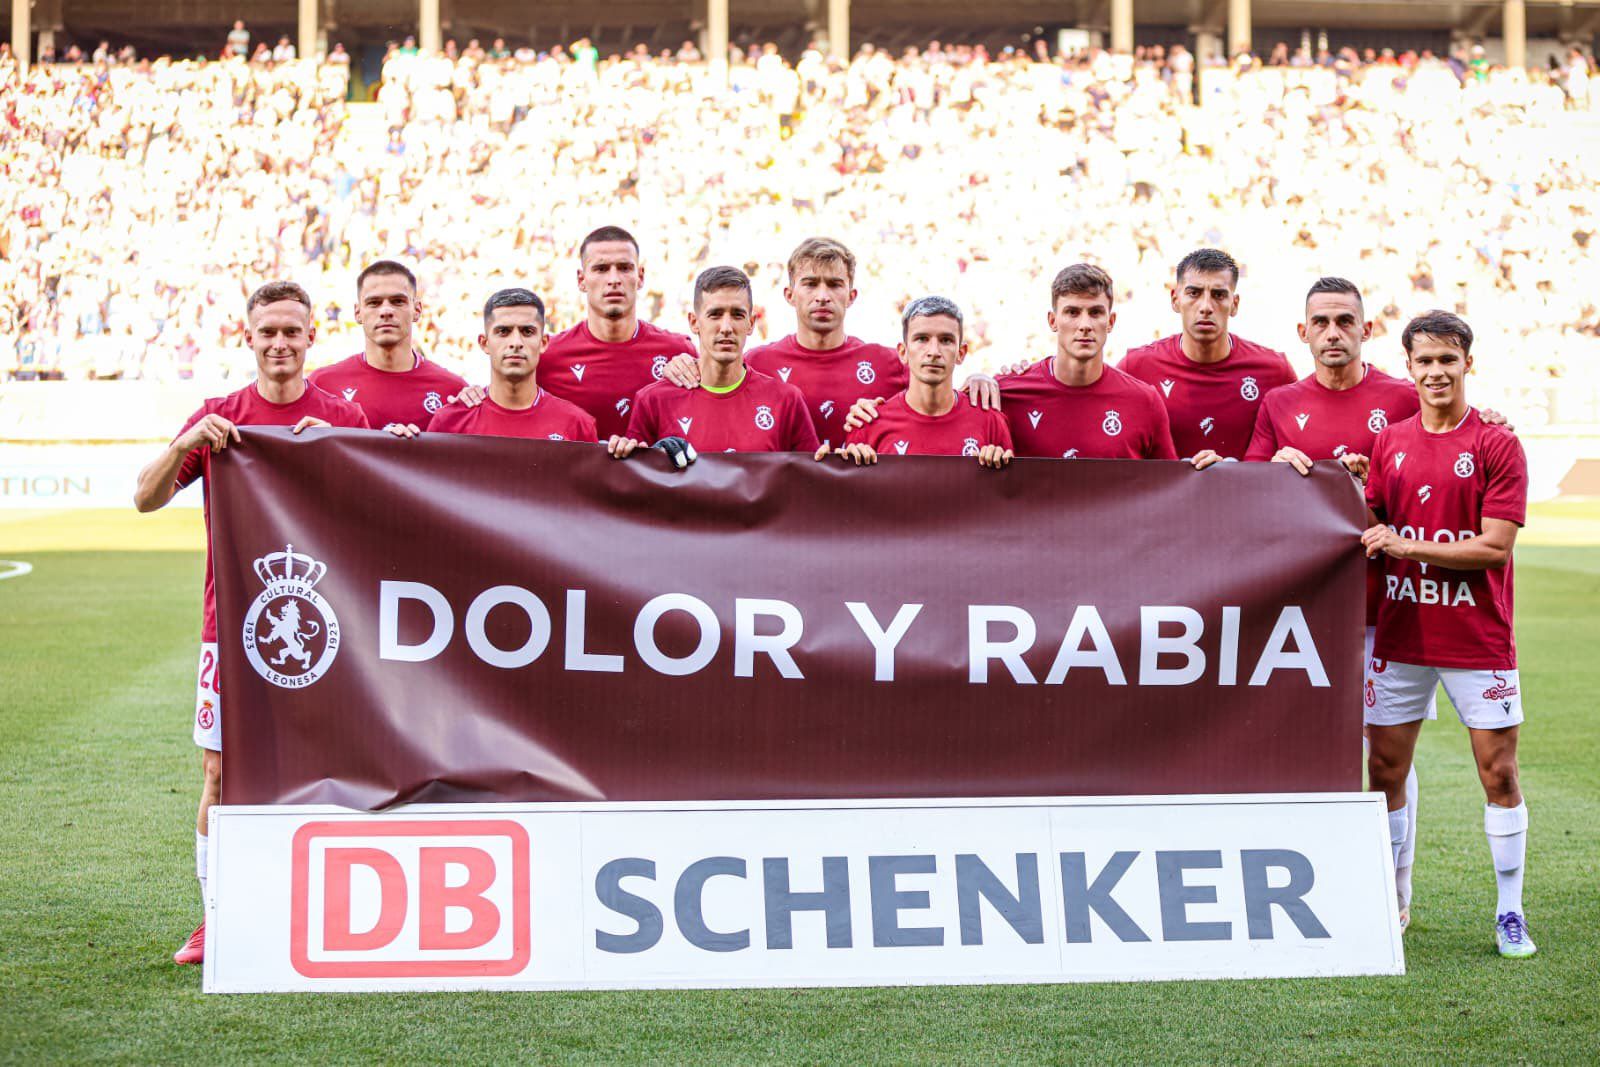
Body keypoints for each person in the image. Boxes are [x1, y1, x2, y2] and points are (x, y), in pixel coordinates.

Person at [132, 281, 370, 966]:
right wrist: (185, 442)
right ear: (250, 336)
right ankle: (215, 916)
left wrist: (342, 450)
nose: (280, 343)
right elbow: (143, 498)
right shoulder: (219, 417)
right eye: (268, 331)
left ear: (310, 336)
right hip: (230, 626)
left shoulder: (340, 415)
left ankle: (326, 908)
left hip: (331, 628)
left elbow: (386, 517)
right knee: (219, 772)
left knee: (329, 766)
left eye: (292, 331)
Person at [1246, 276, 1426, 925]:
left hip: (1386, 610)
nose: (1332, 333)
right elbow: (1250, 500)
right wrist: (1279, 469)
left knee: (1386, 756)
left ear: (1366, 329)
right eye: (1320, 321)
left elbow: (1426, 489)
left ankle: (1393, 894)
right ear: (1303, 332)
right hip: (1307, 613)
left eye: (1344, 321)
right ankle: (1313, 887)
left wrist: (1371, 480)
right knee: (1305, 752)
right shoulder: (1279, 403)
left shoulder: (1403, 399)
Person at [1361, 310, 1535, 959]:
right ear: (1408, 367)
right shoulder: (1390, 440)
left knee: (1498, 771)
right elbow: (1371, 515)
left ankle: (1510, 910)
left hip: (1476, 638)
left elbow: (1495, 548)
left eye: (1448, 359)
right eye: (1425, 361)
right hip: (1401, 632)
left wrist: (1404, 542)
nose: (1436, 371)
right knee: (1384, 770)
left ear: (1468, 363)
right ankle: (1394, 899)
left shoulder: (1495, 443)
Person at [1120, 248, 1296, 460]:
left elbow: (1299, 448)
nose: (1205, 307)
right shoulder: (1136, 367)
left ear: (1234, 304)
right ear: (1175, 299)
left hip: (1244, 493)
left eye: (1218, 295)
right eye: (1194, 293)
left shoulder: (1275, 371)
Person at [624, 267, 818, 453]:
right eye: (715, 315)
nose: (726, 327)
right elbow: (637, 482)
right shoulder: (653, 401)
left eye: (737, 315)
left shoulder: (786, 401)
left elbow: (808, 480)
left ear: (750, 323)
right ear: (694, 322)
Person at [993, 264, 1177, 459]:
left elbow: (1170, 484)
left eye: (1095, 313)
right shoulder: (1005, 394)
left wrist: (1206, 469)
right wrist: (974, 382)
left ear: (1111, 322)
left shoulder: (1145, 402)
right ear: (1053, 321)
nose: (1085, 325)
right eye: (1072, 312)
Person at [535, 226, 698, 440]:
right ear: (581, 280)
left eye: (624, 268)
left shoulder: (677, 352)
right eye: (601, 269)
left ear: (640, 277)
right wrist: (474, 396)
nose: (614, 279)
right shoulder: (548, 357)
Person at [833, 295, 1012, 466]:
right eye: (922, 339)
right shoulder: (868, 423)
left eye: (946, 340)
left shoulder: (991, 423)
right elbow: (854, 495)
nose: (933, 351)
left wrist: (996, 466)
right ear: (903, 352)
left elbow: (1008, 494)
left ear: (961, 353)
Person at [307, 261, 467, 432]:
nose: (385, 311)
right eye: (374, 303)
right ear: (358, 312)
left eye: (397, 301)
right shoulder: (322, 384)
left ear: (417, 309)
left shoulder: (452, 390)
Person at [424, 289, 597, 441]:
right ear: (484, 343)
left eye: (527, 332)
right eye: (503, 332)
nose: (515, 342)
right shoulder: (450, 421)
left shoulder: (576, 424)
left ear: (543, 342)